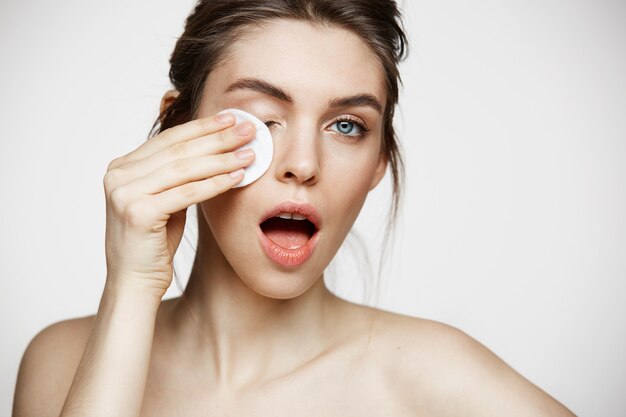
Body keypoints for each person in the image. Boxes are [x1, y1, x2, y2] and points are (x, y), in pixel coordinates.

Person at [13, 1, 577, 416]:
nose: (303, 163)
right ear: (178, 129)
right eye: (264, 118)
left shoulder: (441, 381)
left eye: (347, 126)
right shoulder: (62, 361)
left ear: (380, 159)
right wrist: (131, 289)